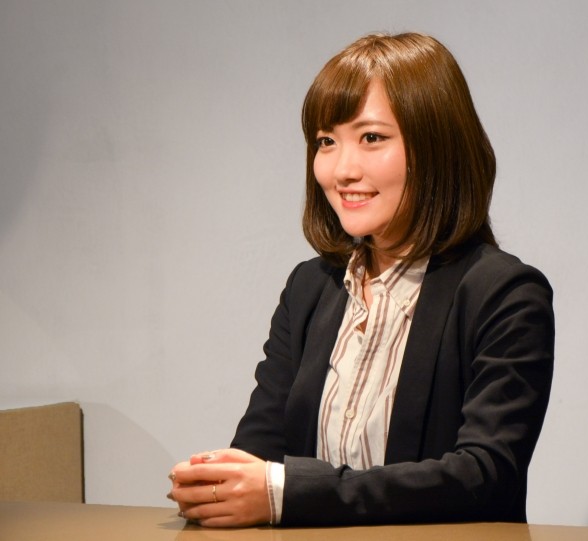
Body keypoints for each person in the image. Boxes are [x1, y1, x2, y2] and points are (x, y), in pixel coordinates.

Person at [168, 32, 554, 528]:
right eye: (326, 142)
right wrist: (217, 485)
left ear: (437, 146)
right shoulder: (310, 287)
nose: (342, 170)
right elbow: (261, 451)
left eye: (371, 138)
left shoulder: (503, 294)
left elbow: (484, 476)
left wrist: (288, 492)